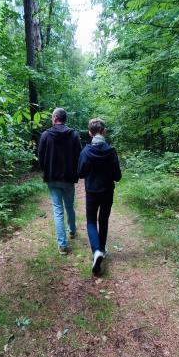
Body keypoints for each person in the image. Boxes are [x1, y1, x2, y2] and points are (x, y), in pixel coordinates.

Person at [78, 118, 122, 275]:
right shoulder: (111, 151)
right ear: (104, 131)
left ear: (90, 133)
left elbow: (80, 173)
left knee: (91, 221)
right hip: (107, 192)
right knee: (103, 220)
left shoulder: (85, 152)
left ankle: (96, 251)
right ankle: (101, 250)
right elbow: (117, 176)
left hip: (91, 192)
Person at [38, 108, 82, 255]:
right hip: (68, 178)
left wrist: (47, 170)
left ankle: (62, 245)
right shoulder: (74, 135)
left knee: (58, 210)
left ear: (55, 118)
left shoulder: (45, 135)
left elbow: (41, 158)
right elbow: (79, 157)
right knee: (69, 206)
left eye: (52, 116)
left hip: (52, 178)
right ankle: (72, 231)